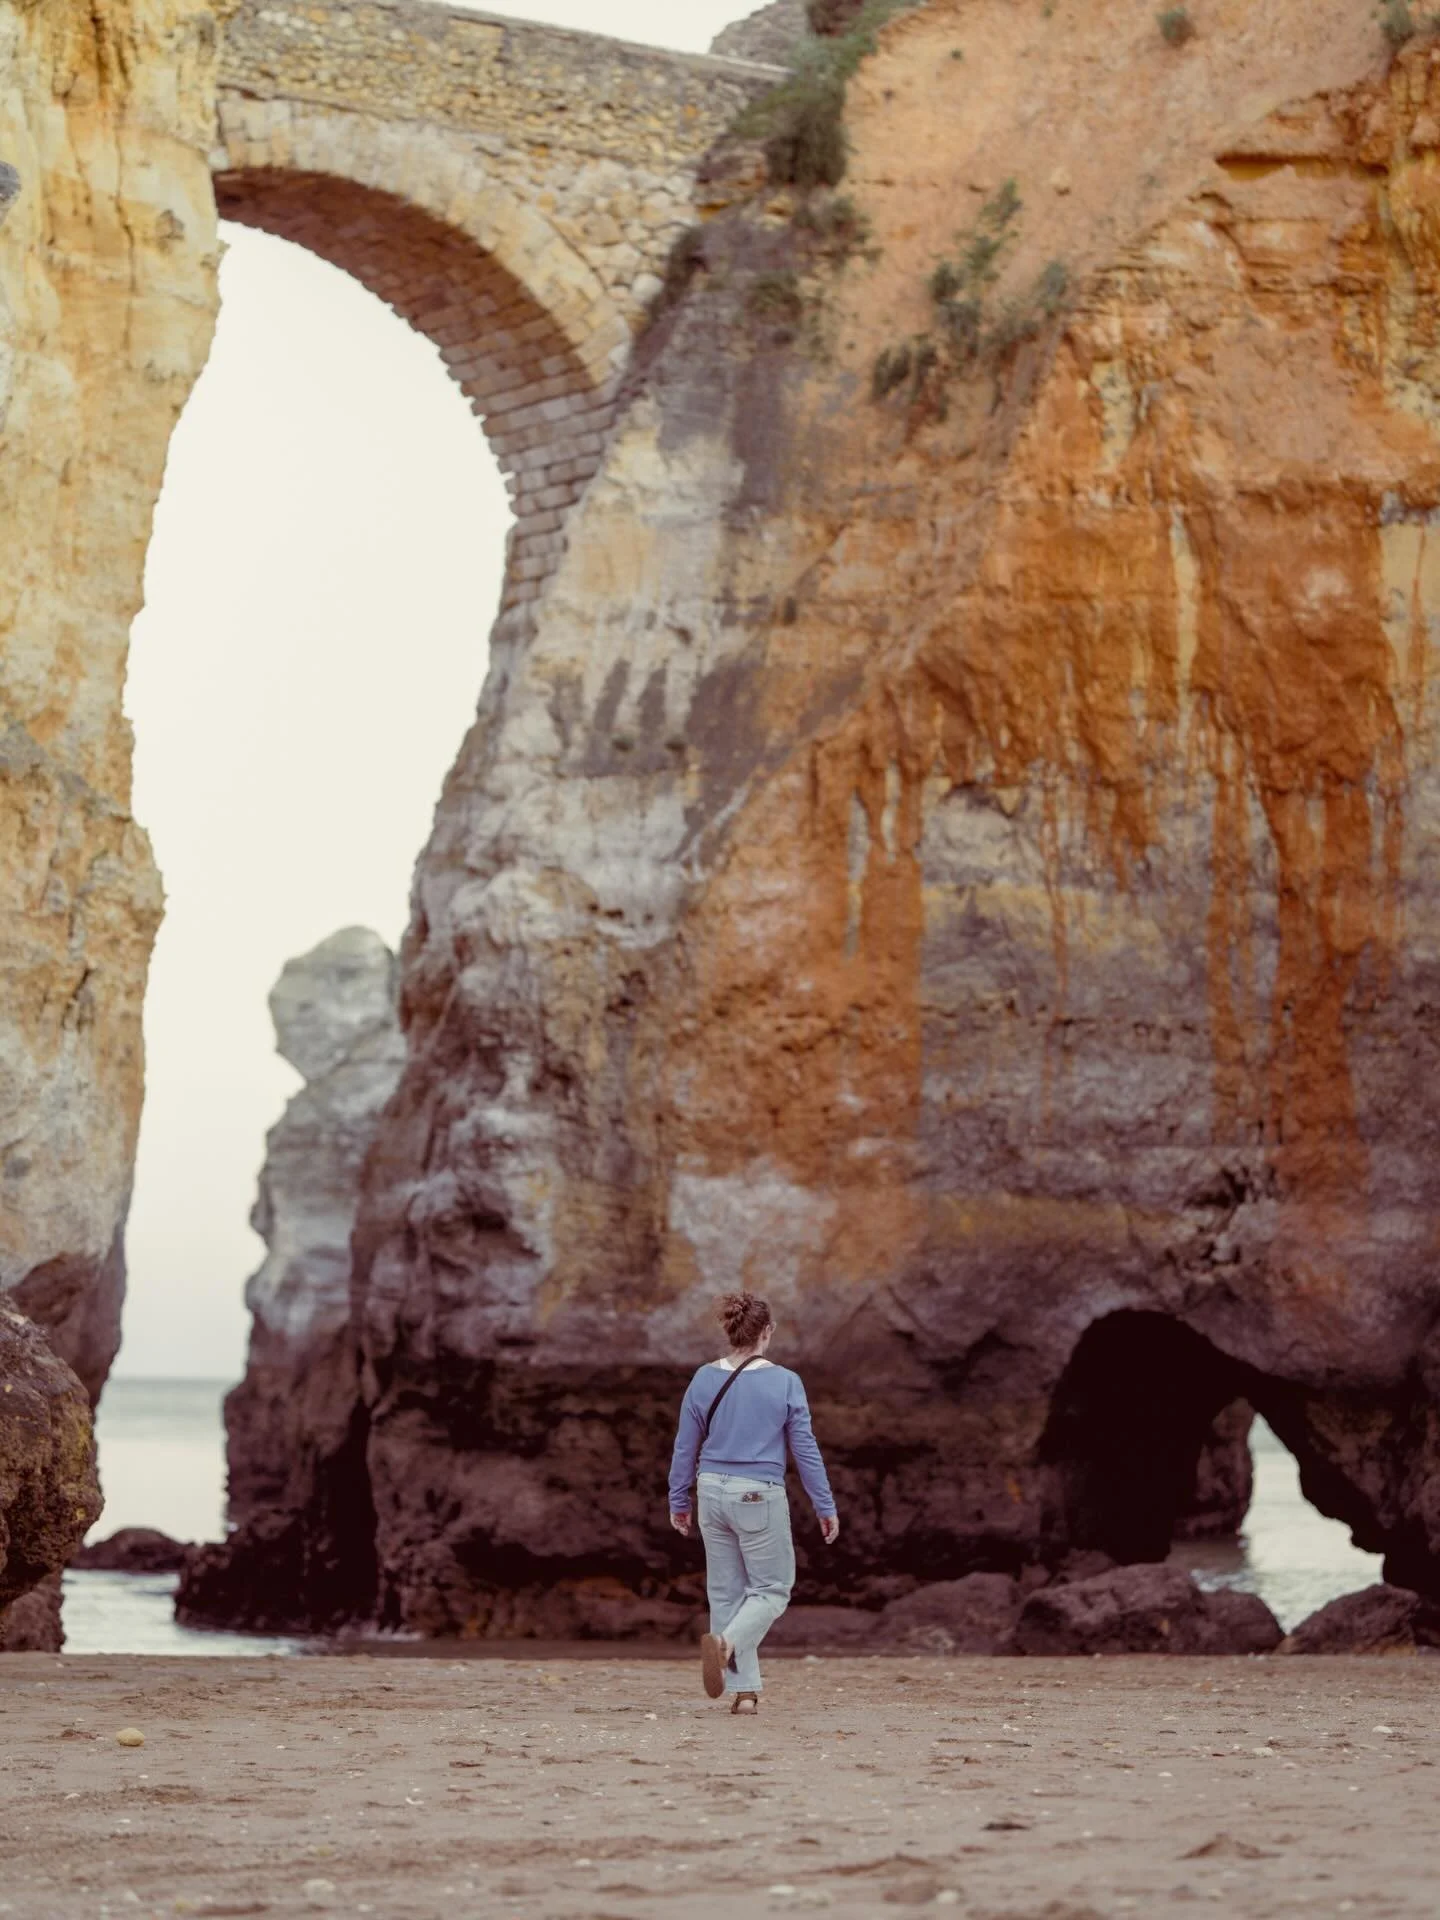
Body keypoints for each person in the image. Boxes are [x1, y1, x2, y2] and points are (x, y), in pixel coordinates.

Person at [668, 1291, 840, 1712]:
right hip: (756, 1494)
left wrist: (678, 1498)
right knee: (771, 1590)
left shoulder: (703, 1379)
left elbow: (684, 1446)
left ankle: (744, 1694)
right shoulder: (784, 1381)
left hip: (710, 1490)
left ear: (729, 1330)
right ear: (768, 1332)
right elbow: (805, 1449)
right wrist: (825, 1504)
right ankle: (725, 1645)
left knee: (726, 1595)